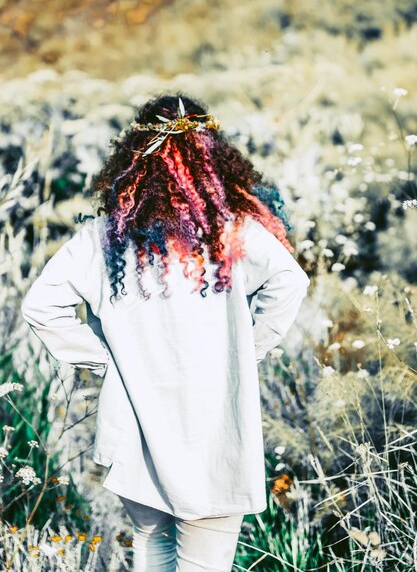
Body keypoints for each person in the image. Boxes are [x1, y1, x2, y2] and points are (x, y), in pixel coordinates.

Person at [20, 93, 311, 571]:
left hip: (136, 427)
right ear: (213, 160)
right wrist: (247, 350)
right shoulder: (234, 233)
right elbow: (290, 283)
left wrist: (107, 363)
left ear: (133, 160)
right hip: (215, 431)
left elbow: (40, 307)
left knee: (152, 553)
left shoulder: (103, 238)